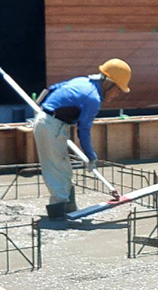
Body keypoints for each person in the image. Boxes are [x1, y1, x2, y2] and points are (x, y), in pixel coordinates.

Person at [32, 59, 132, 219]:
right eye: (118, 90)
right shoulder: (93, 98)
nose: (117, 95)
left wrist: (40, 105)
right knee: (56, 169)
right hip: (51, 125)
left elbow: (54, 88)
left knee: (63, 167)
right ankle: (58, 214)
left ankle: (69, 208)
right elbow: (84, 130)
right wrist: (90, 156)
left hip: (52, 122)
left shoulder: (83, 81)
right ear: (108, 83)